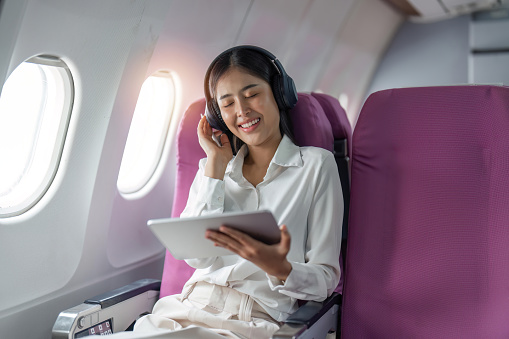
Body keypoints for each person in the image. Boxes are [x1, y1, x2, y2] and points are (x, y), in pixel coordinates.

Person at [104, 46, 343, 339]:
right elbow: (196, 259)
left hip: (251, 324)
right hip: (180, 313)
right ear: (217, 113)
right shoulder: (212, 170)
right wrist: (215, 168)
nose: (242, 111)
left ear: (279, 93)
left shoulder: (316, 166)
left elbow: (326, 280)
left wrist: (280, 267)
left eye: (252, 94)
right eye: (227, 103)